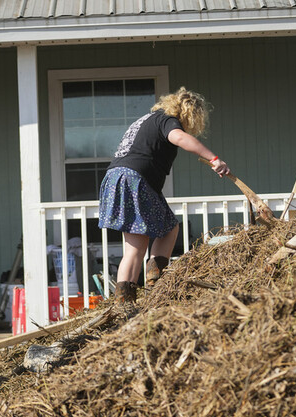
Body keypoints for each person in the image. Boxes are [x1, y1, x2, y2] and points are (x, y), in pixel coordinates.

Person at [98, 87, 230, 302]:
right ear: (189, 113)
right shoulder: (168, 120)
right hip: (134, 178)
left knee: (165, 229)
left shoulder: (146, 120)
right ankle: (138, 291)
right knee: (141, 244)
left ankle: (141, 287)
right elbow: (179, 138)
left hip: (116, 177)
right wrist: (214, 159)